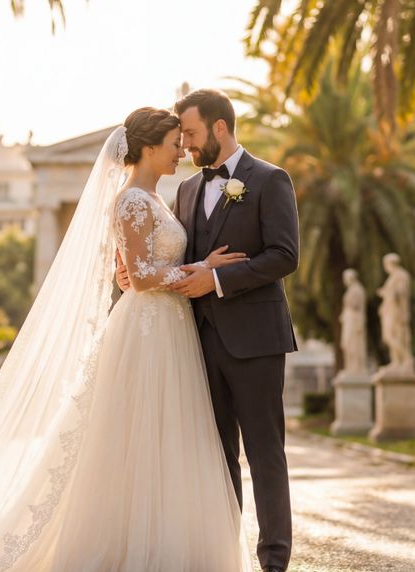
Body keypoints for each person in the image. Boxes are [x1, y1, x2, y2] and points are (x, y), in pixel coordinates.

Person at [0, 108, 255, 571]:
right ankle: (128, 546)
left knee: (166, 435)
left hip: (170, 327)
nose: (182, 150)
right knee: (135, 433)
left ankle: (165, 544)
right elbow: (138, 276)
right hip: (145, 331)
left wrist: (182, 268)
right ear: (151, 147)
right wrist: (202, 269)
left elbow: (136, 270)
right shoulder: (132, 200)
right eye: (176, 141)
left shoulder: (156, 199)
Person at [117, 88, 299, 572]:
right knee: (216, 456)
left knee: (265, 452)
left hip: (256, 340)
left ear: (220, 128)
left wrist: (216, 278)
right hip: (195, 341)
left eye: (192, 136)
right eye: (181, 139)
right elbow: (170, 255)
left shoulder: (270, 180)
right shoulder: (188, 190)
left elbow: (285, 256)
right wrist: (135, 274)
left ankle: (274, 560)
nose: (188, 148)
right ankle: (223, 554)